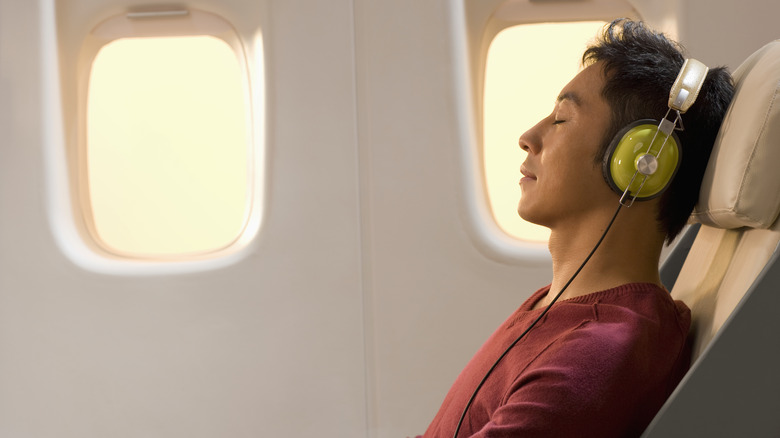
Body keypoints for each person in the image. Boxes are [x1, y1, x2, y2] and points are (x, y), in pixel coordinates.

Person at [418, 19, 734, 438]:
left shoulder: (599, 352)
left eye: (562, 119)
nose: (528, 137)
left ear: (641, 162)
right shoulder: (552, 306)